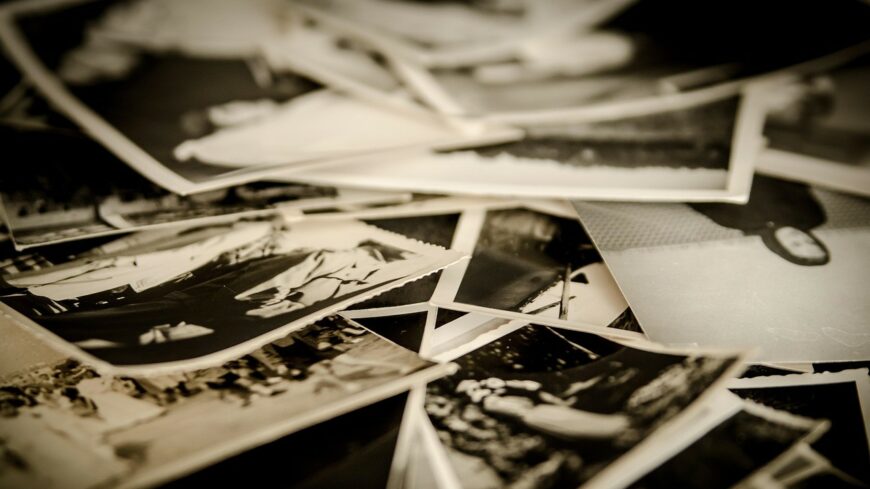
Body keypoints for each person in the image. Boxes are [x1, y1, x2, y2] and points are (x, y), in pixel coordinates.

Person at [689, 175, 830, 266]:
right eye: (811, 242)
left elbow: (698, 196)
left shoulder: (735, 222)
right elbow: (796, 182)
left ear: (780, 248)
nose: (800, 237)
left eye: (795, 244)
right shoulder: (813, 216)